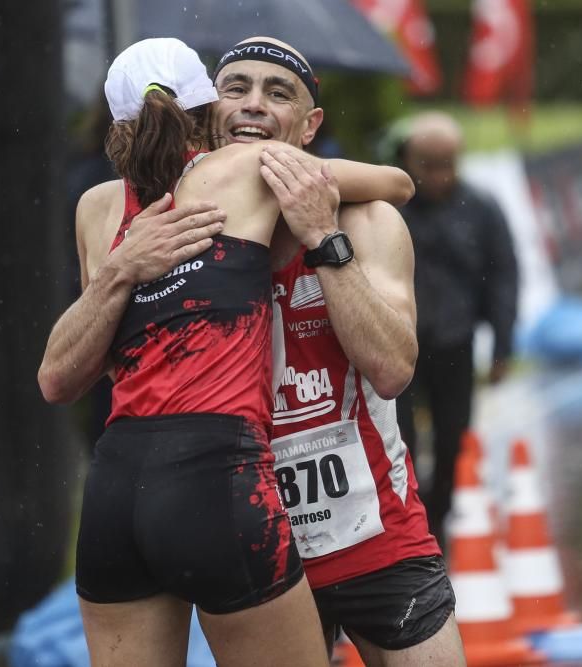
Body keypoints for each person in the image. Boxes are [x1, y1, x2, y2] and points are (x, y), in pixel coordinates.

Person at [37, 37, 414, 667]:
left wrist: (123, 270)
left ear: (115, 121)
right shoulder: (250, 167)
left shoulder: (98, 209)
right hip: (215, 474)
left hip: (116, 486)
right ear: (209, 108)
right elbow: (396, 182)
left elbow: (59, 378)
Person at [212, 38, 467, 666]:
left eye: (278, 93)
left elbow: (391, 369)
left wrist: (323, 237)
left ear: (309, 125)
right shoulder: (185, 235)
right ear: (208, 113)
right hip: (254, 547)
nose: (253, 105)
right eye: (236, 88)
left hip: (377, 534)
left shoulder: (365, 221)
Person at [394, 111, 519, 549]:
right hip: (398, 348)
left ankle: (438, 518)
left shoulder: (480, 208)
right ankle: (410, 528)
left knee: (454, 441)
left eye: (445, 164)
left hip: (454, 342)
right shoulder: (389, 206)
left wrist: (503, 345)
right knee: (400, 445)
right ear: (409, 159)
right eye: (427, 163)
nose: (437, 175)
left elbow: (504, 275)